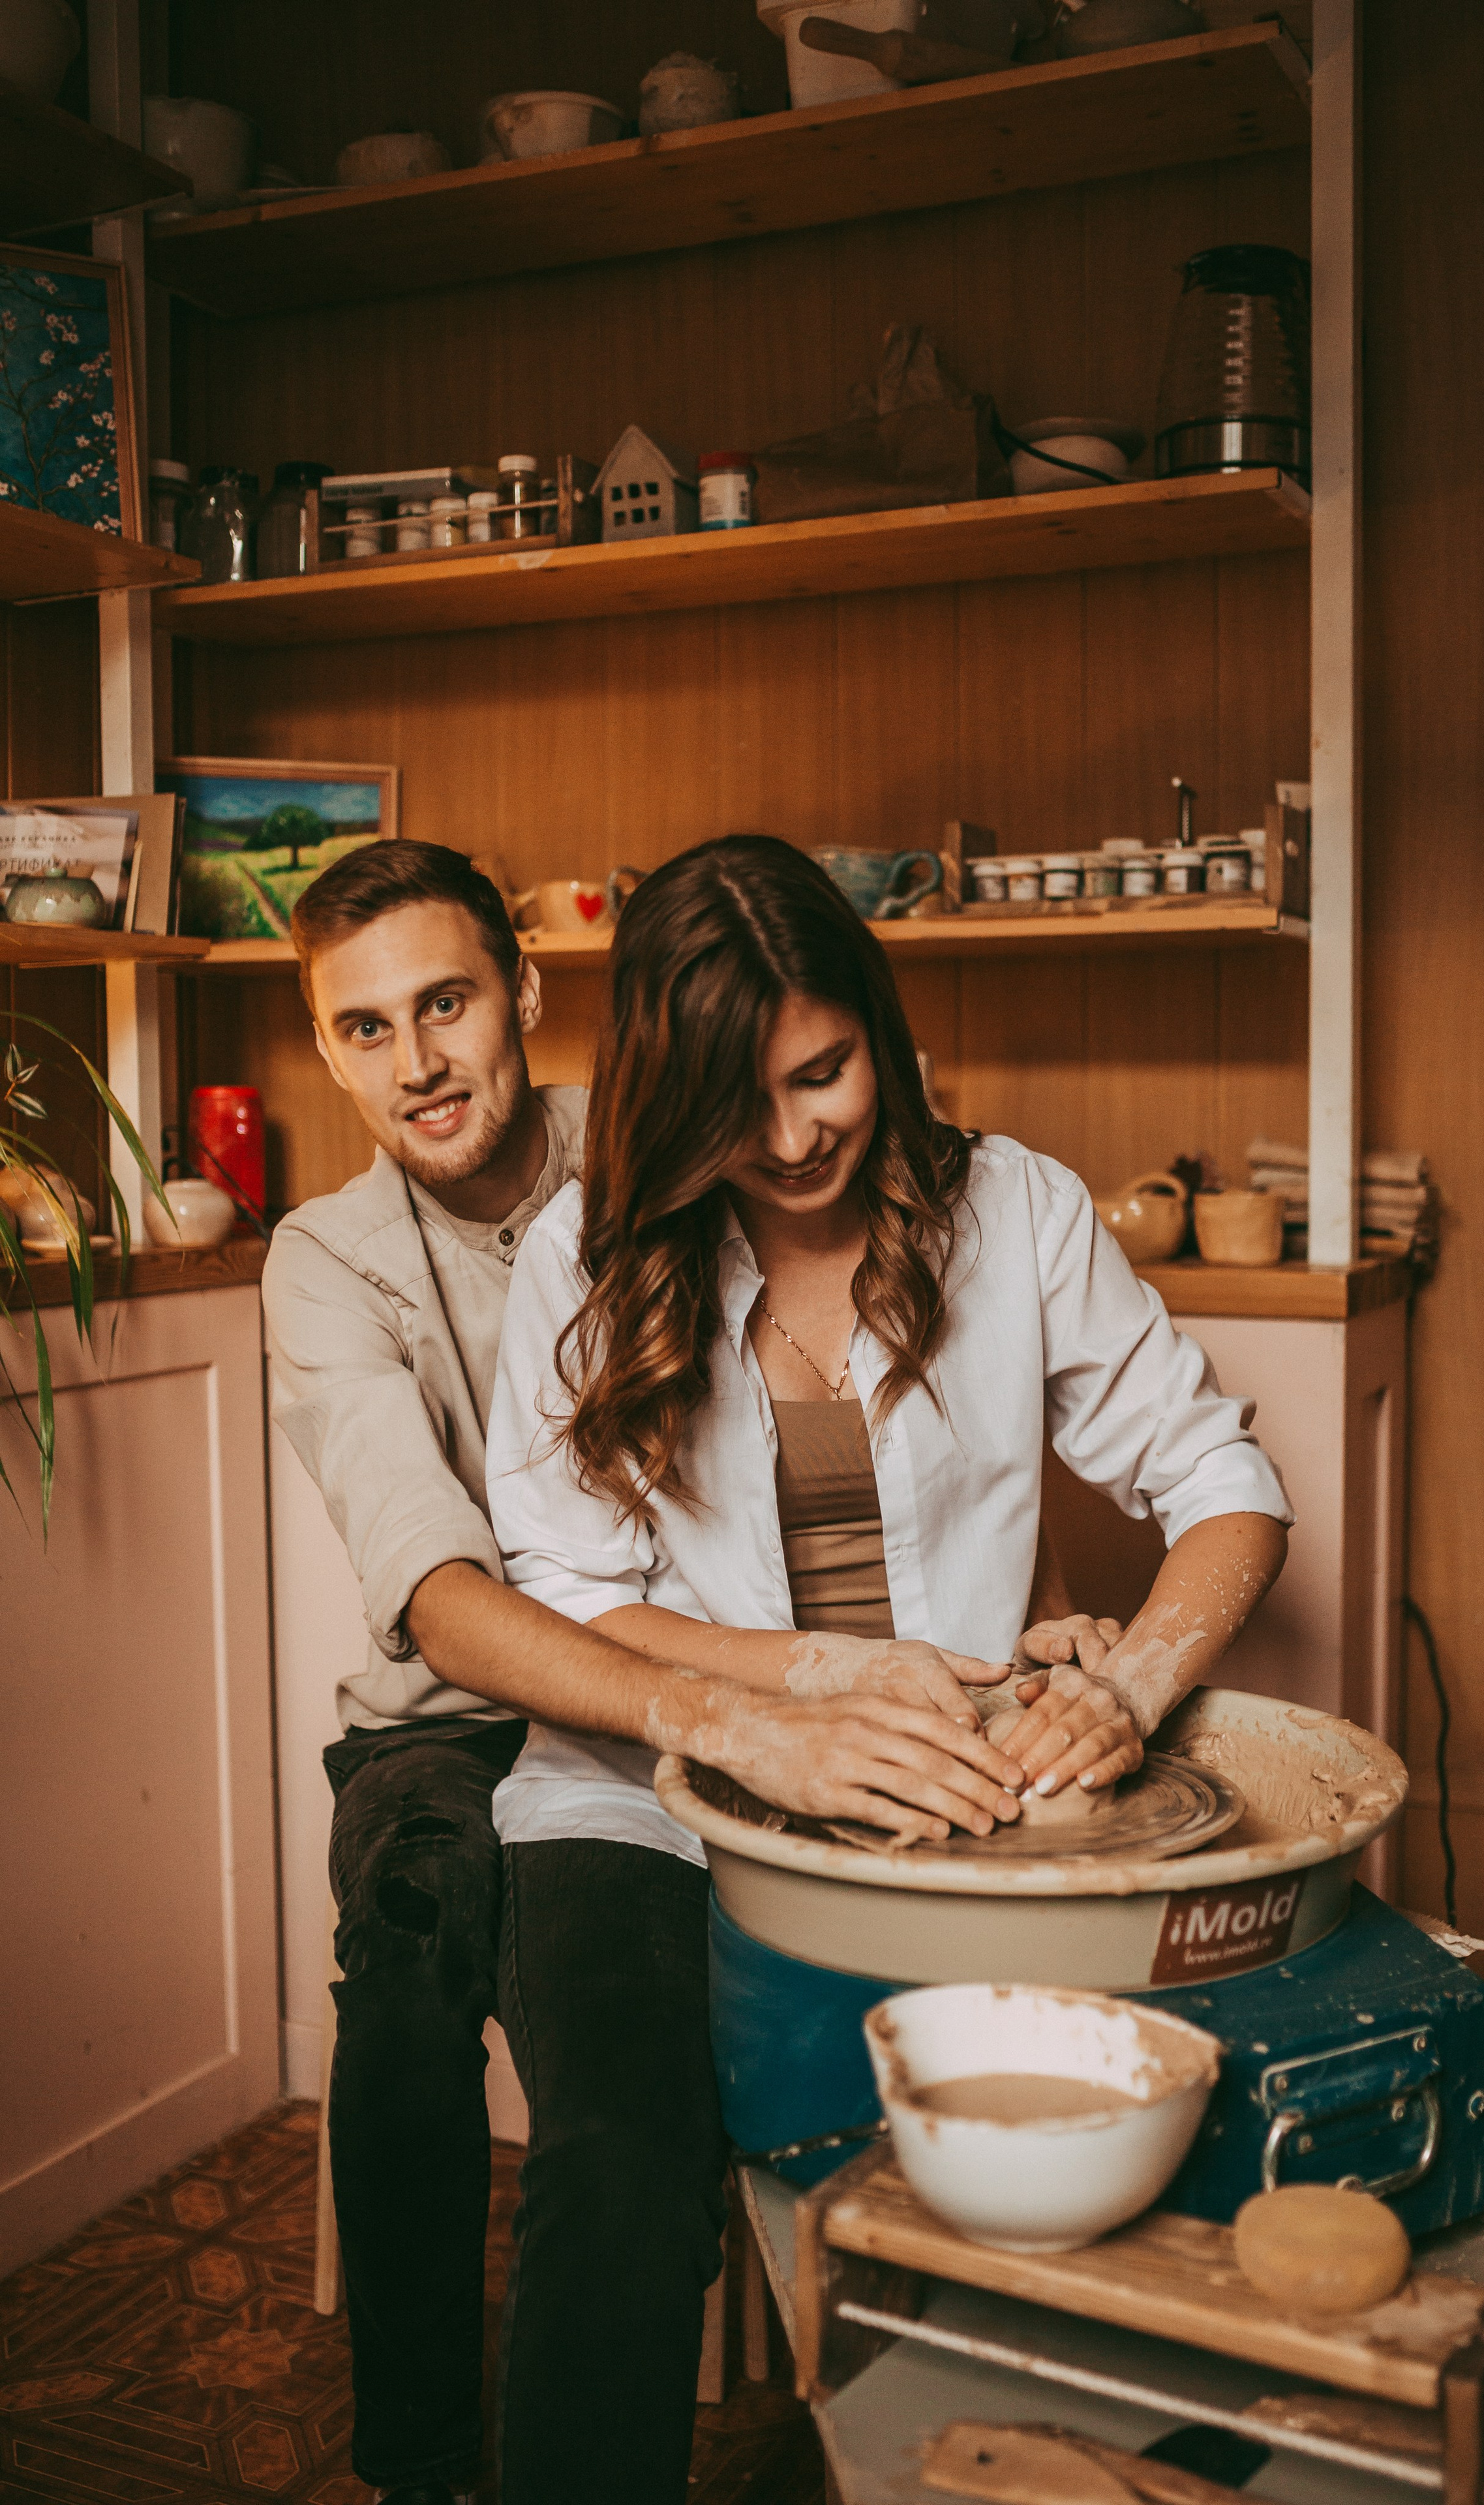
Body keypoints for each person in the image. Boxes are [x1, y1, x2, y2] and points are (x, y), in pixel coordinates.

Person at [483, 836, 1295, 2487]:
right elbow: (565, 1595)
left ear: (879, 1024)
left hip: (947, 1810)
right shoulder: (583, 1252)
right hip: (641, 1804)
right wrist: (799, 1690)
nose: (792, 1140)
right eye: (736, 1103)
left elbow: (1222, 1484)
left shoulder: (1017, 1210)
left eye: (824, 1073)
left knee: (1081, 2152)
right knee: (619, 2169)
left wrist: (1126, 1682)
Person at [263, 838, 1026, 2505]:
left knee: (635, 2073)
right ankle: (418, 2461)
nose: (418, 1062)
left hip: (670, 1692)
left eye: (447, 1004)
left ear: (525, 995)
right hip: (449, 1725)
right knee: (405, 1975)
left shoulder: (685, 1132)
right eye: (367, 1028)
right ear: (326, 1050)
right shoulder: (323, 1258)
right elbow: (445, 1600)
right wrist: (737, 1711)